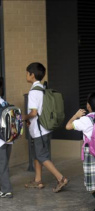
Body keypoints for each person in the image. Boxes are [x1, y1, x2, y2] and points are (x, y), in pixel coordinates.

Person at [22, 63, 68, 192]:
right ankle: (38, 180)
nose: (26, 75)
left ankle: (61, 178)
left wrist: (23, 117)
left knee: (42, 156)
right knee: (39, 154)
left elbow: (34, 113)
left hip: (39, 130)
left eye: (27, 73)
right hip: (46, 128)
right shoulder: (43, 89)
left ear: (32, 75)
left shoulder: (33, 92)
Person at [0, 77, 13, 198]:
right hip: (8, 140)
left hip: (0, 141)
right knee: (3, 165)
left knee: (2, 166)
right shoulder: (5, 103)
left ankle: (6, 190)